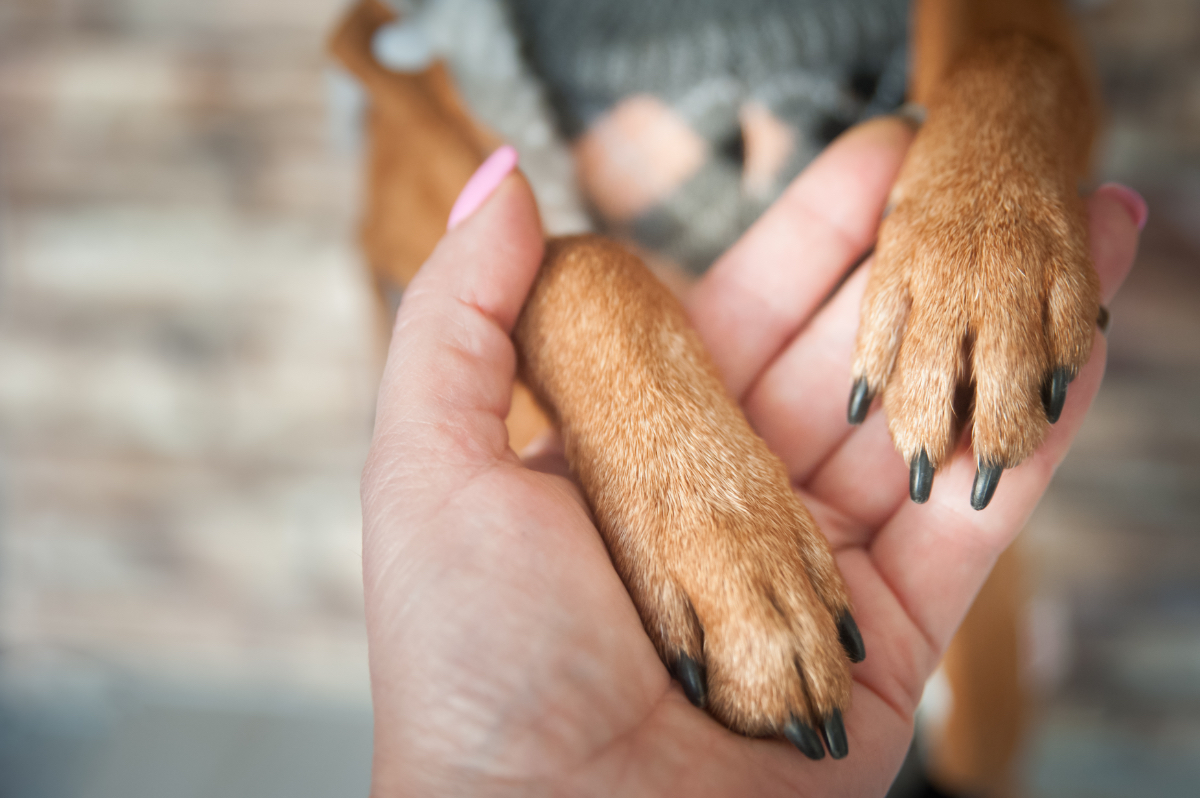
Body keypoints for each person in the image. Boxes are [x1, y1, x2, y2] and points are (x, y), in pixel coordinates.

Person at [359, 118, 1145, 796]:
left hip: (914, 548)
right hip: (811, 561)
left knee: (978, 737)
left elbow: (1035, 61)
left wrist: (1007, 125)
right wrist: (594, 339)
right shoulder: (421, 64)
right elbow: (512, 396)